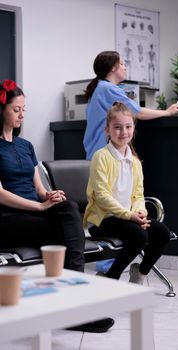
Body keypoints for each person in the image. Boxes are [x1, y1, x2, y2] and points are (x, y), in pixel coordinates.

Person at [0, 79, 114, 333]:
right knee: (65, 235)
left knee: (68, 206)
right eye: (16, 109)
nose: (22, 114)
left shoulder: (25, 146)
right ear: (2, 110)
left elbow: (39, 190)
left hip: (33, 214)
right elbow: (1, 195)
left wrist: (50, 197)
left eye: (24, 109)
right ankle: (75, 309)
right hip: (7, 219)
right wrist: (40, 207)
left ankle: (71, 307)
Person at [83, 102, 171, 283]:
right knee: (139, 235)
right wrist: (129, 215)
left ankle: (140, 272)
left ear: (133, 128)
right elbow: (102, 196)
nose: (123, 132)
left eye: (128, 127)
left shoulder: (135, 161)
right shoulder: (101, 156)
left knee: (162, 233)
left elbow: (138, 194)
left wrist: (140, 212)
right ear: (107, 130)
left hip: (127, 217)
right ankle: (111, 278)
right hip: (103, 220)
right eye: (117, 127)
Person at [83, 50, 178, 161]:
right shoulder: (108, 88)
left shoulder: (100, 87)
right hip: (103, 154)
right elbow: (139, 113)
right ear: (112, 68)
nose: (125, 67)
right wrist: (167, 112)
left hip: (96, 152)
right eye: (122, 64)